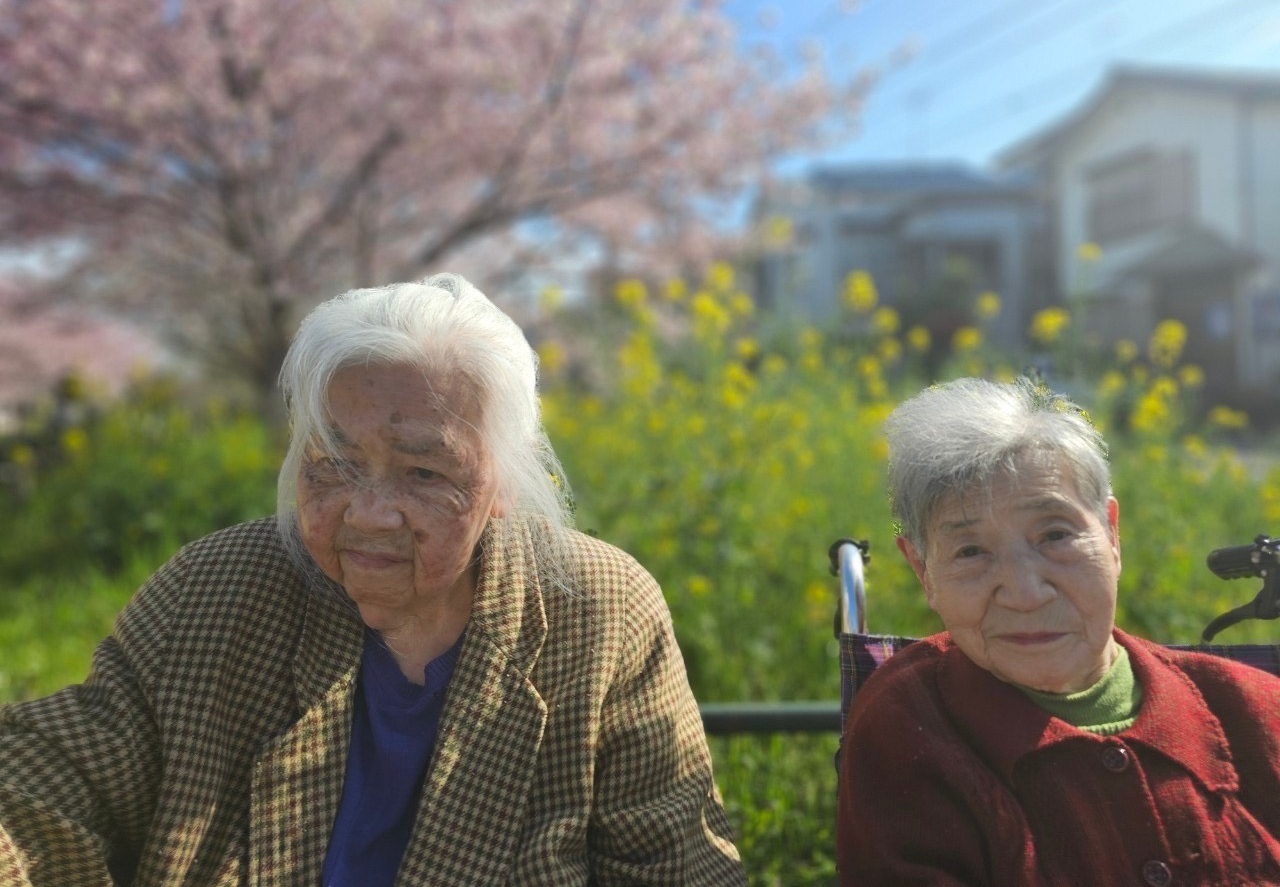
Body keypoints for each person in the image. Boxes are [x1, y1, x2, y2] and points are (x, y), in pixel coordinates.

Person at [0, 274, 747, 886]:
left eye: (424, 472)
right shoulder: (214, 589)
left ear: (503, 484)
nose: (369, 513)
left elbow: (673, 863)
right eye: (334, 463)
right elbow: (56, 777)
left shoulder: (598, 610)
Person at [837, 377, 1280, 886]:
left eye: (1055, 535)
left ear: (1112, 535)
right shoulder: (910, 728)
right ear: (923, 573)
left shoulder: (1258, 707)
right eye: (971, 551)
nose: (1026, 594)